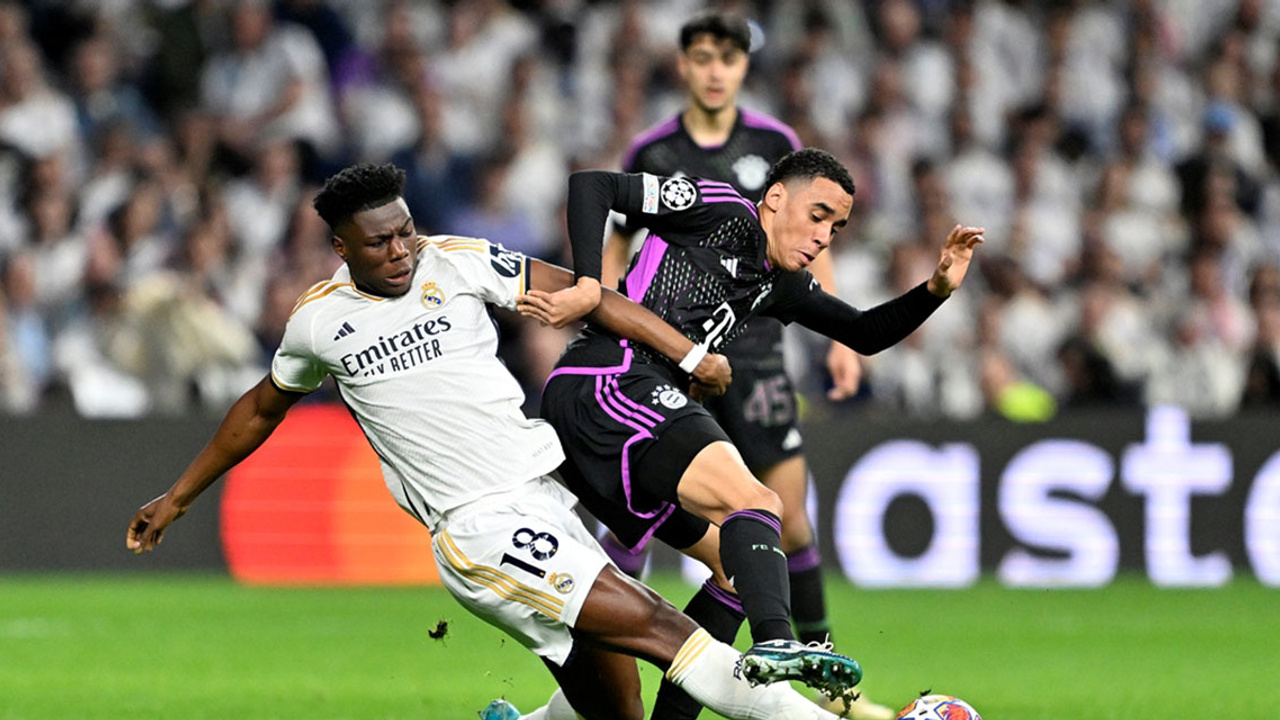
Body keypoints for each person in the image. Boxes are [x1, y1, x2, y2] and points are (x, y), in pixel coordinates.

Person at [125, 163, 851, 720]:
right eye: (380, 242)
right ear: (341, 246)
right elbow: (260, 408)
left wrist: (682, 354)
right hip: (479, 527)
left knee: (618, 705)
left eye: (406, 230)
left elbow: (589, 295)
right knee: (668, 633)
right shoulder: (319, 323)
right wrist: (178, 497)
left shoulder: (458, 260)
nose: (403, 251)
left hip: (544, 497)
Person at [526, 148, 983, 716]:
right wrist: (592, 286)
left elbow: (864, 332)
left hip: (633, 409)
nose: (824, 237)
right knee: (756, 501)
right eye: (817, 215)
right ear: (774, 199)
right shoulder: (713, 208)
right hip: (609, 377)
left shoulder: (781, 284)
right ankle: (776, 641)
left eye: (836, 228)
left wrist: (936, 288)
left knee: (736, 569)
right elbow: (593, 184)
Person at [596, 12, 877, 718]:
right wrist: (600, 308)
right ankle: (603, 691)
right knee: (630, 527)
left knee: (791, 524)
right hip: (669, 352)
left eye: (729, 58)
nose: (716, 70)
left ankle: (834, 693)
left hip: (753, 356)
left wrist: (841, 335)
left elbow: (816, 243)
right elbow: (619, 236)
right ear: (684, 66)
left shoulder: (776, 145)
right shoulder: (652, 149)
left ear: (744, 68)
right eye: (702, 57)